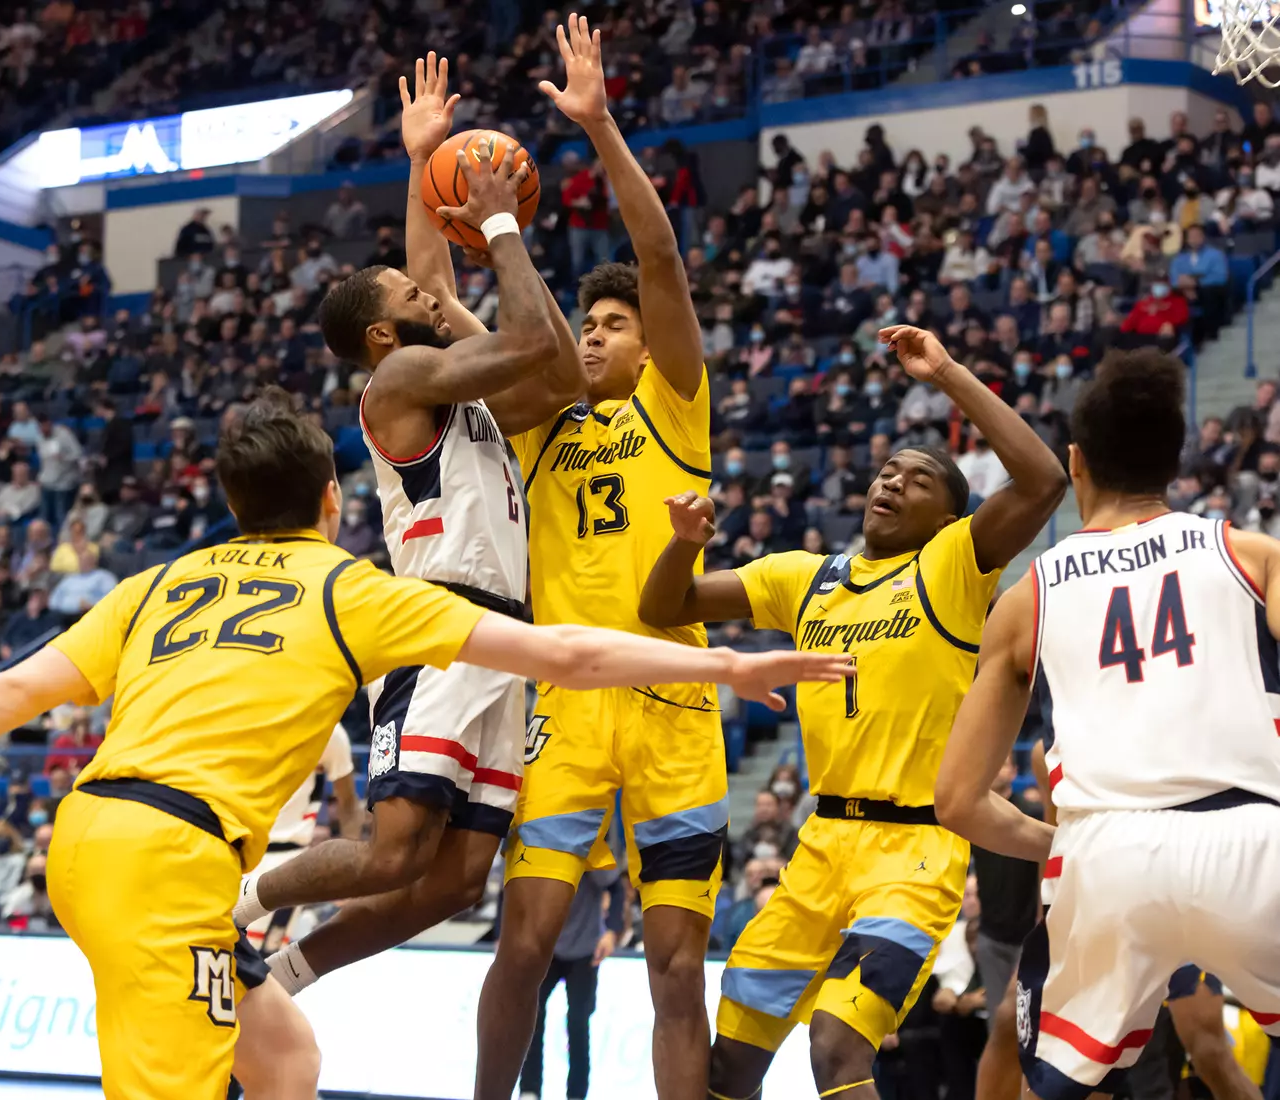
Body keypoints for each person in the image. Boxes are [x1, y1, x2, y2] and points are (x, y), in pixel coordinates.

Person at [0, 390, 851, 1099]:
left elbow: (13, 685)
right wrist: (729, 667)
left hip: (94, 835)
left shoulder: (163, 579)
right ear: (335, 502)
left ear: (232, 501)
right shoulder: (349, 588)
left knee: (282, 1055)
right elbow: (563, 652)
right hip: (170, 863)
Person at [639, 321, 1065, 1100]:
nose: (893, 482)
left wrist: (946, 376)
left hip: (914, 852)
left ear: (946, 518)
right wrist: (682, 542)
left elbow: (1042, 480)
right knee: (728, 1064)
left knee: (837, 1050)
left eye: (918, 479)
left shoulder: (951, 564)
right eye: (888, 471)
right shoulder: (805, 575)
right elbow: (662, 604)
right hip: (819, 847)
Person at [235, 50, 585, 997]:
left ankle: (285, 975)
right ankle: (233, 907)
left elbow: (510, 331)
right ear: (384, 337)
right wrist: (500, 222)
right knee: (395, 855)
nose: (431, 293)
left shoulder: (439, 371)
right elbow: (528, 342)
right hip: (438, 626)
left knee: (460, 881)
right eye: (411, 301)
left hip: (503, 636)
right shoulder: (398, 380)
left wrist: (421, 162)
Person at [475, 20, 748, 1100]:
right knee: (526, 943)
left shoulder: (676, 410)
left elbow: (663, 259)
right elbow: (502, 322)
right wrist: (460, 197)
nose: (591, 335)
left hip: (673, 695)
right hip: (566, 699)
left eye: (609, 324)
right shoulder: (539, 421)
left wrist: (596, 126)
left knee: (677, 965)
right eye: (583, 323)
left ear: (646, 345)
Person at [934, 348, 1280, 1100]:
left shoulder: (1031, 595)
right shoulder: (1252, 556)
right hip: (1253, 840)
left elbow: (957, 800)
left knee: (1041, 1076)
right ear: (1175, 460)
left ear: (1075, 462)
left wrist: (1060, 840)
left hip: (1107, 855)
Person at [242, 723, 362, 955]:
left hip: (284, 860)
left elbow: (348, 804)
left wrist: (350, 872)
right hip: (232, 852)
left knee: (259, 962)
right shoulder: (242, 715)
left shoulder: (328, 730)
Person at [518, 866, 627, 1100]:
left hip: (585, 949)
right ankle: (529, 1090)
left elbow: (616, 888)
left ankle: (576, 1095)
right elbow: (513, 891)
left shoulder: (591, 848)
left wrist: (612, 931)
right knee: (530, 1015)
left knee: (578, 1022)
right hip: (546, 946)